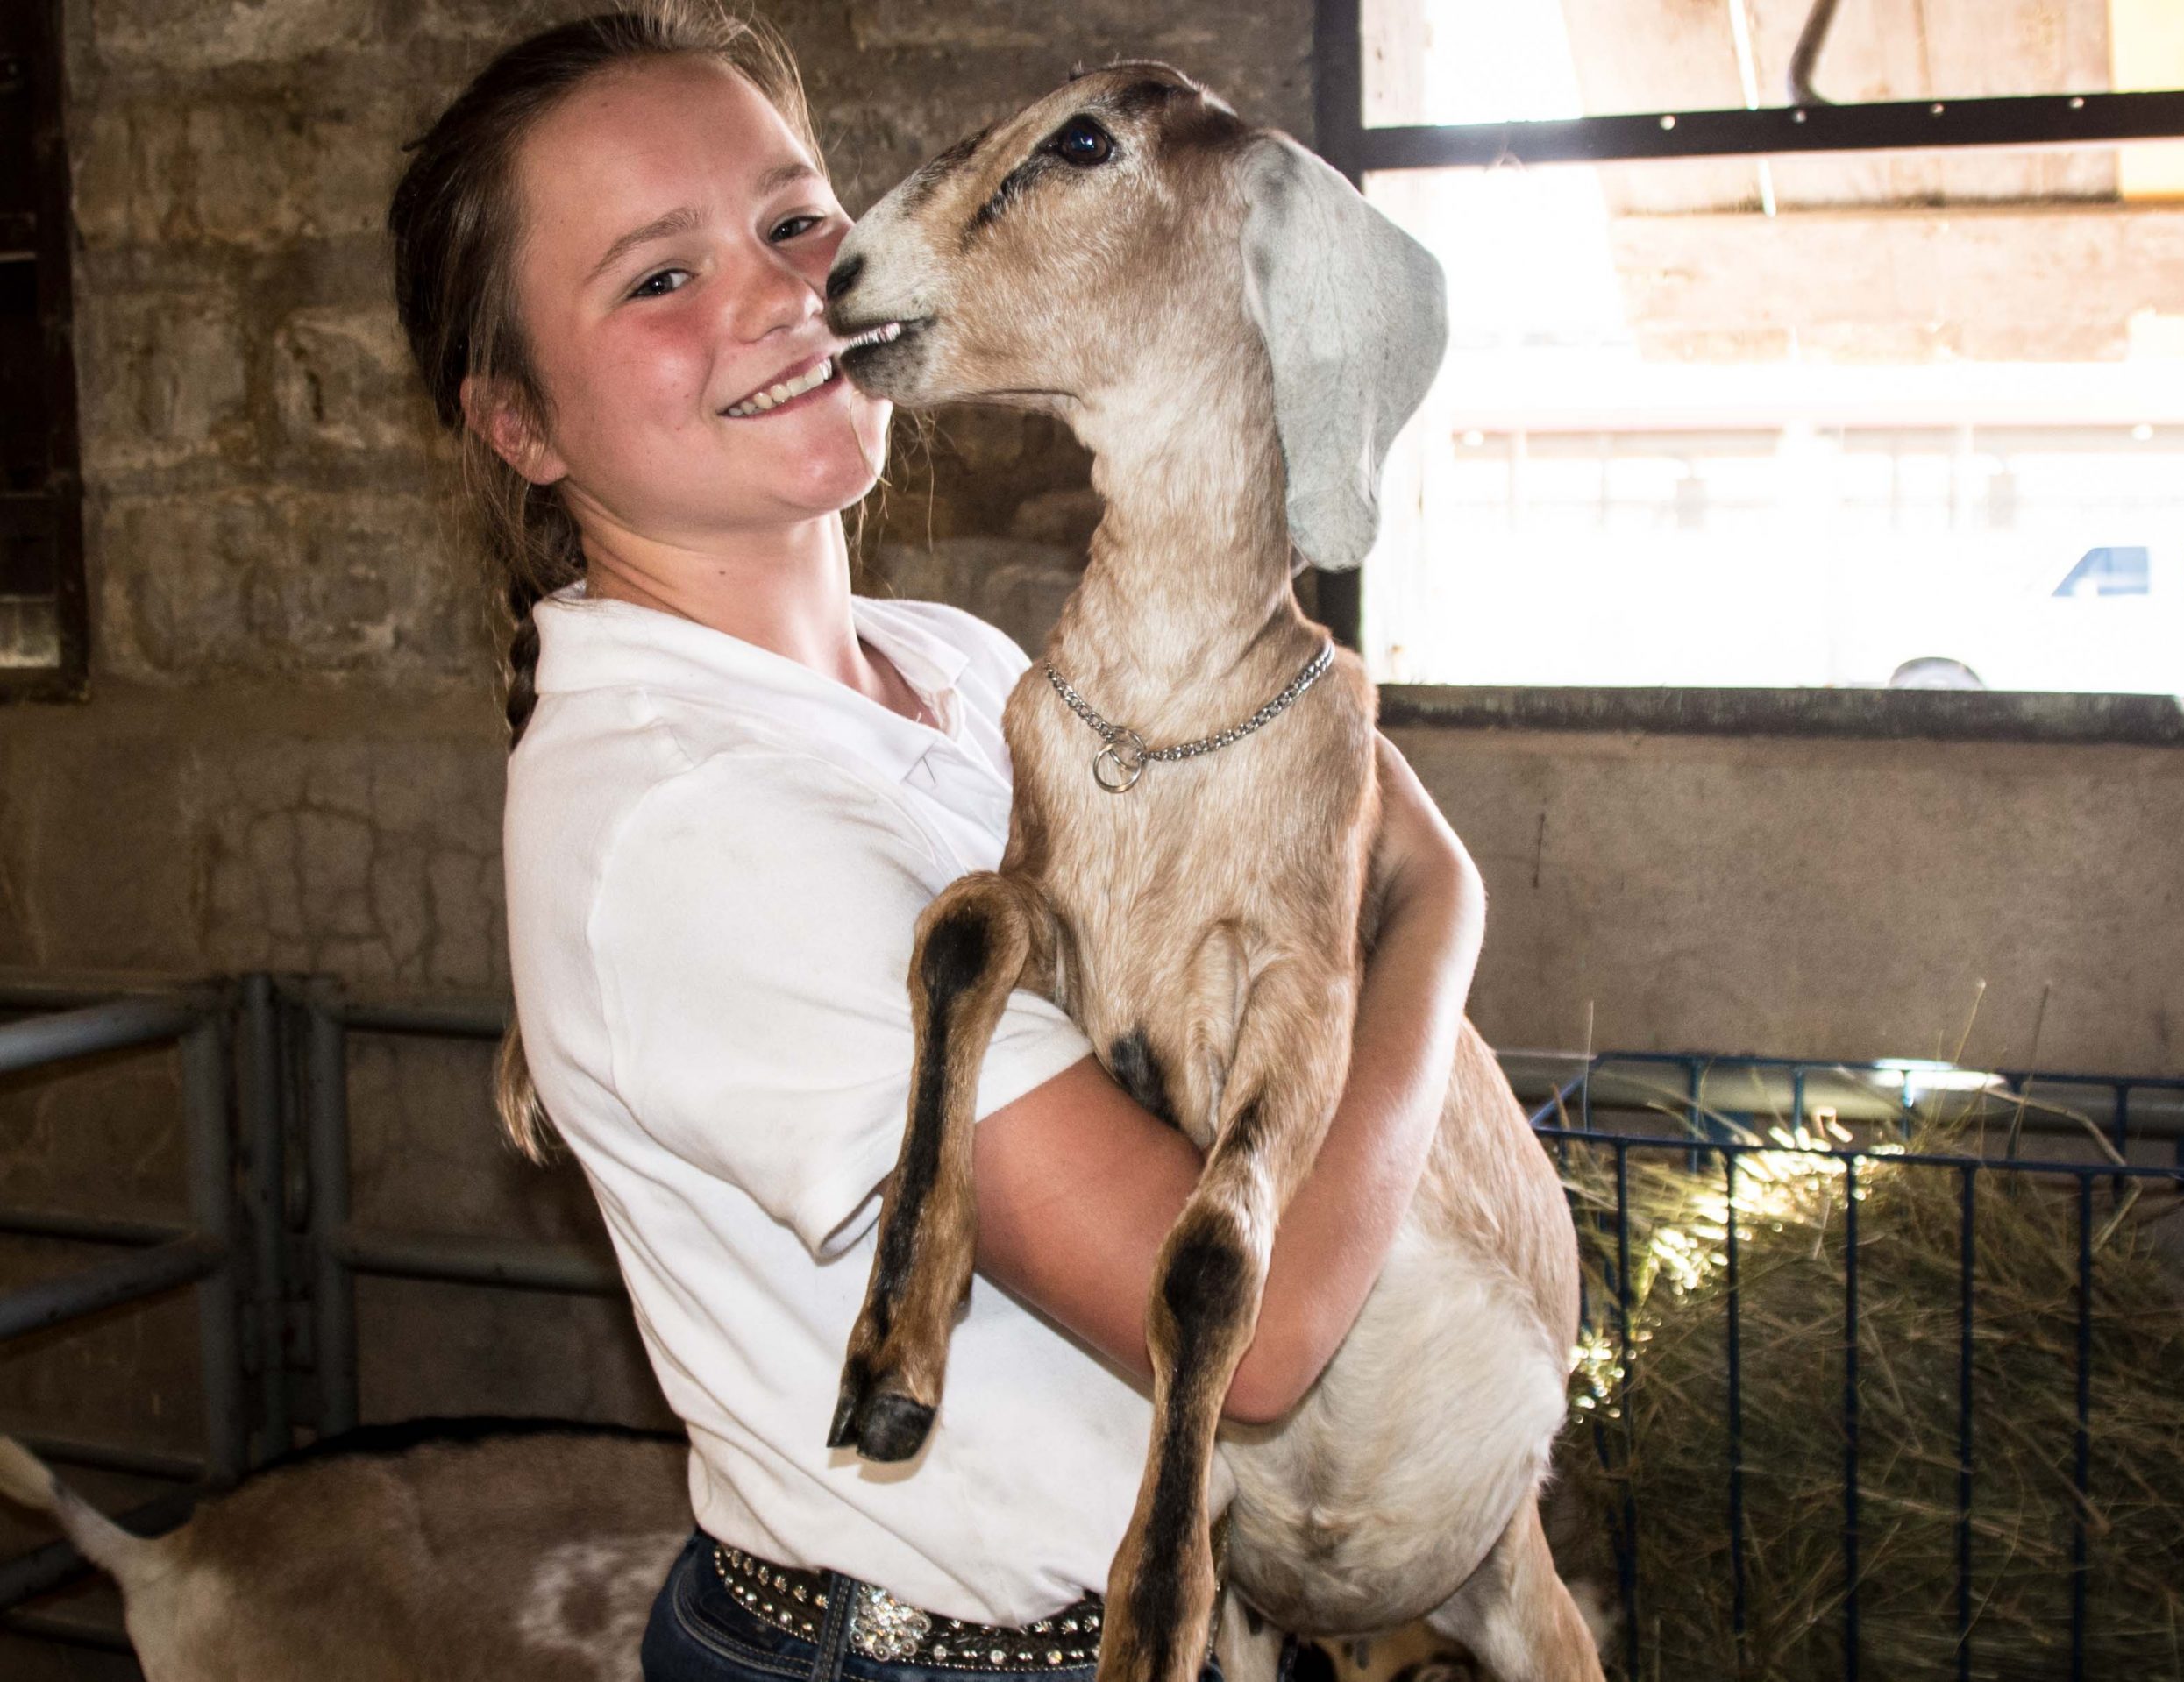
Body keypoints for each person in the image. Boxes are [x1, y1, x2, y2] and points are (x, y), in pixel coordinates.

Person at [386, 8, 1487, 1681]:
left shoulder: (972, 670)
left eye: (790, 219)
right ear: (521, 426)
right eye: (656, 280)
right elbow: (1250, 1351)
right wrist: (1443, 916)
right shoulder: (688, 819)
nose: (780, 292)